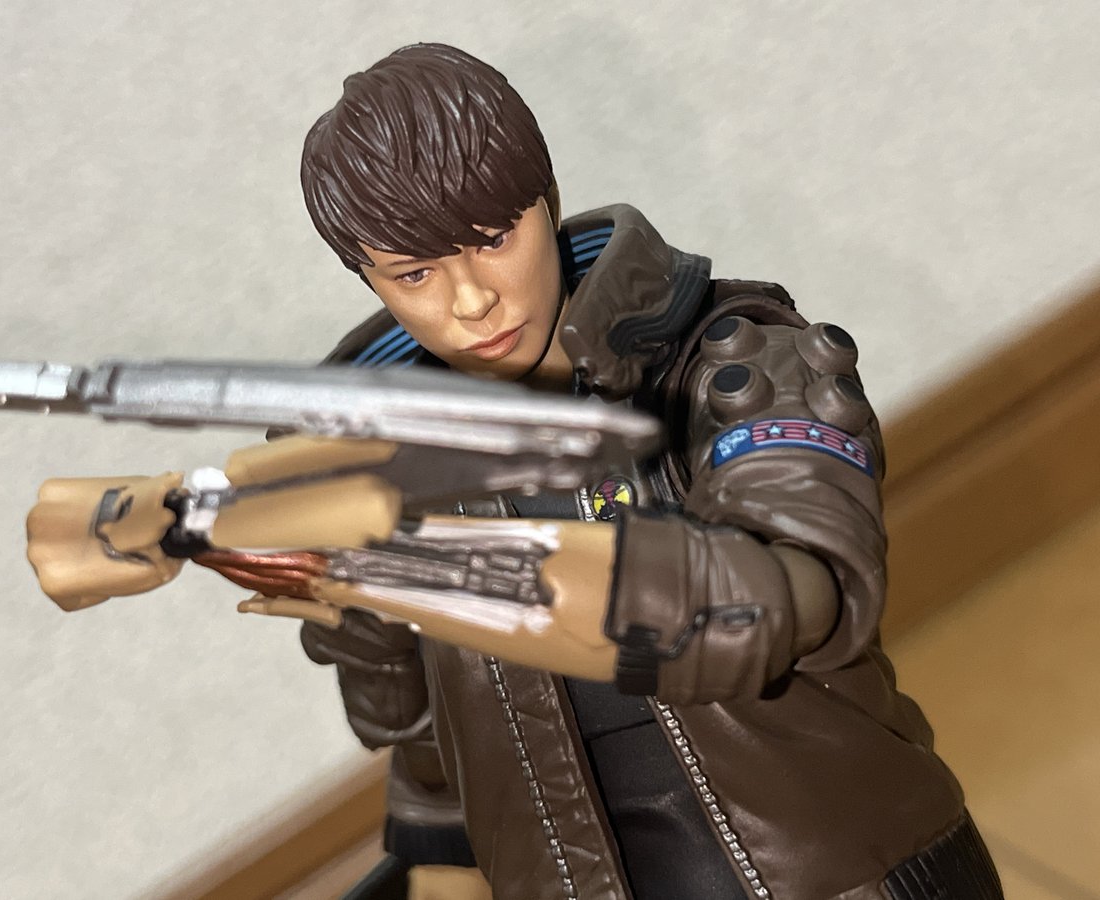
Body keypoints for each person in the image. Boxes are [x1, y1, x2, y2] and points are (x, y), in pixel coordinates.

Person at [247, 43, 1003, 899]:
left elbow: (809, 580)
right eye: (415, 273)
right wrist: (439, 855)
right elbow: (431, 726)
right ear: (371, 281)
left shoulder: (729, 361)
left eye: (493, 240)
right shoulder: (374, 474)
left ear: (546, 201)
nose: (471, 300)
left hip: (843, 868)